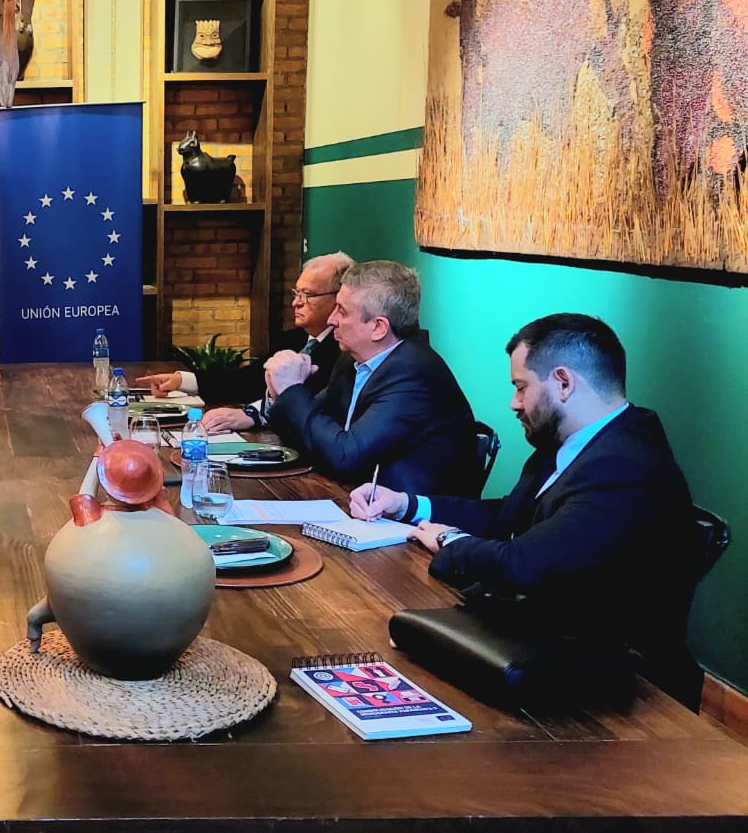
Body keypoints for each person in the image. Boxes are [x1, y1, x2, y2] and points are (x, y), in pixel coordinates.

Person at [348, 313, 702, 708]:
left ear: (563, 383)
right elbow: (509, 518)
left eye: (521, 387)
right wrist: (408, 504)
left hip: (619, 692)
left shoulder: (626, 468)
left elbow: (525, 564)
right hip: (541, 639)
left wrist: (450, 541)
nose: (514, 403)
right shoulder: (573, 442)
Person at [264, 260, 476, 495]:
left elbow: (345, 456)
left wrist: (292, 390)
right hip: (351, 499)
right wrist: (281, 391)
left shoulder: (413, 375)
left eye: (341, 311)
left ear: (378, 327)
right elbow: (313, 430)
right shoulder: (352, 360)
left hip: (411, 521)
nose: (331, 319)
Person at [137, 252, 353, 426]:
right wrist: (181, 381)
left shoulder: (346, 351)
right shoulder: (294, 339)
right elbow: (247, 381)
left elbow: (312, 407)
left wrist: (252, 415)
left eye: (308, 295)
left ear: (339, 298)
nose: (296, 303)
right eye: (296, 293)